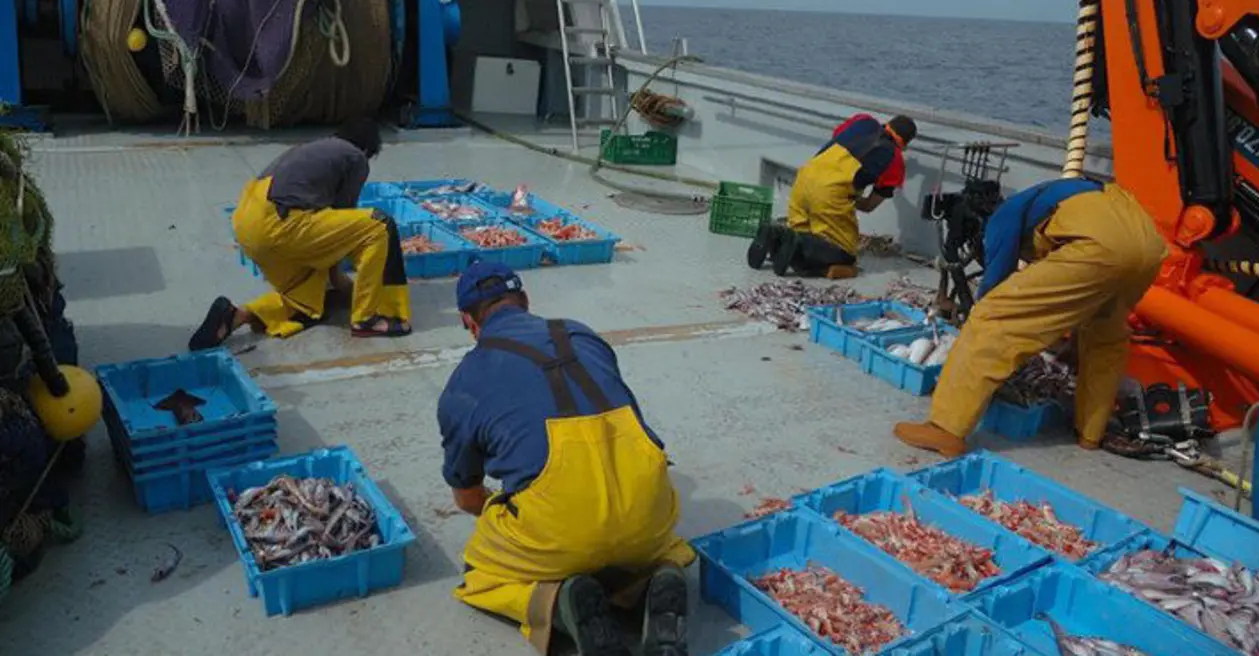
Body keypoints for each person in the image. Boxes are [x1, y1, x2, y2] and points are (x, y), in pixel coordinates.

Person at [437, 262, 695, 656]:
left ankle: (555, 603)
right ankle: (652, 579)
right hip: (646, 503)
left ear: (468, 322)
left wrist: (517, 508)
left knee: (480, 574)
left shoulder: (462, 384)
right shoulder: (581, 334)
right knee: (648, 543)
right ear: (525, 300)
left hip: (559, 523)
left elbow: (468, 498)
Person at [893, 178, 1168, 457]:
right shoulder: (1060, 196)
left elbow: (995, 281)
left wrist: (983, 306)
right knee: (1105, 336)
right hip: (1149, 248)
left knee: (993, 319)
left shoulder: (1004, 215)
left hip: (1100, 246)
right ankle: (1091, 432)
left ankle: (945, 428)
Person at [188, 117, 412, 351]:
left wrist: (342, 286)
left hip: (248, 225)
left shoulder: (314, 150)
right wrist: (340, 278)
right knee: (379, 225)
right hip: (280, 224)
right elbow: (343, 219)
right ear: (366, 149)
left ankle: (237, 316)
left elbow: (326, 227)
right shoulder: (355, 156)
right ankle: (369, 318)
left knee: (310, 298)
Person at [747, 113, 917, 278]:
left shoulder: (863, 120)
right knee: (845, 256)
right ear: (904, 144)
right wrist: (850, 197)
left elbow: (837, 137)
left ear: (888, 124)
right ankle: (798, 246)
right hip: (830, 193)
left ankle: (775, 235)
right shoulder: (895, 161)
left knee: (804, 231)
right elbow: (868, 206)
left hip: (805, 177)